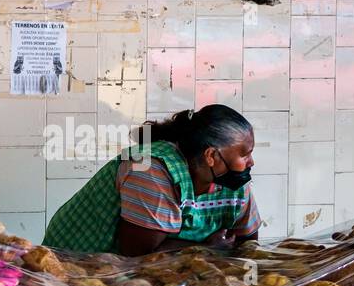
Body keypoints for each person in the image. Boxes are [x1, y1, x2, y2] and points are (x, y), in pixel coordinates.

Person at [43, 105, 261, 256]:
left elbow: (248, 245)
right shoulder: (149, 169)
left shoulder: (233, 184)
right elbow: (139, 255)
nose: (251, 162)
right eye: (245, 154)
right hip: (83, 263)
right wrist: (206, 250)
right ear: (211, 156)